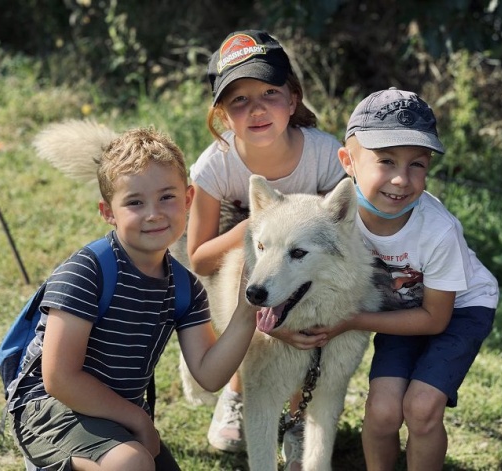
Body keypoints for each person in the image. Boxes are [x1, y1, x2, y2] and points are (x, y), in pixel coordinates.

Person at [8, 127, 257, 471]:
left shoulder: (185, 288)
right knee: (131, 462)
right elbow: (59, 379)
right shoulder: (86, 271)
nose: (154, 213)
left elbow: (209, 375)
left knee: (135, 461)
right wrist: (138, 420)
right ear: (108, 211)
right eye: (135, 202)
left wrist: (247, 312)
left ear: (188, 199)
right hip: (51, 409)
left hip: (116, 414)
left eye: (166, 197)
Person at [308, 87, 498, 470]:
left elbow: (435, 319)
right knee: (381, 412)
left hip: (458, 310)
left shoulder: (438, 231)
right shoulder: (333, 216)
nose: (401, 179)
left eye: (417, 164)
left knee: (422, 408)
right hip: (402, 309)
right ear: (348, 161)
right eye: (386, 161)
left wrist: (353, 321)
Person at [187, 29, 346, 469]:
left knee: (305, 302)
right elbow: (199, 256)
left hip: (301, 255)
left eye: (269, 93)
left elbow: (343, 234)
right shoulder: (214, 164)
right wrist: (256, 226)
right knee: (245, 290)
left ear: (292, 99)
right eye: (238, 100)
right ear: (221, 113)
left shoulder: (324, 154)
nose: (256, 109)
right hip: (237, 246)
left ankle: (298, 409)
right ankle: (238, 389)